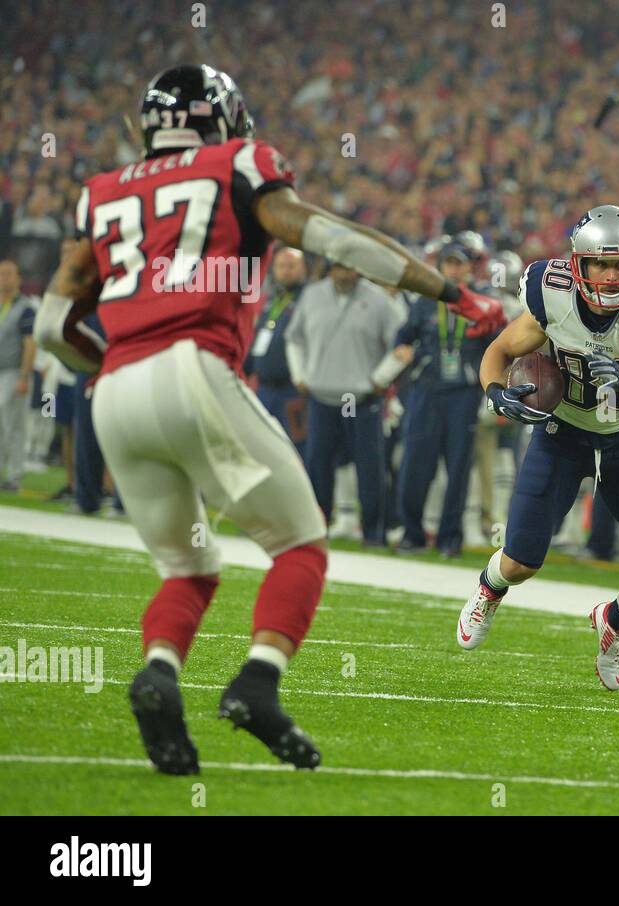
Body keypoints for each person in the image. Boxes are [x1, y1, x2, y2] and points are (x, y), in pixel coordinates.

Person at [33, 63, 498, 775]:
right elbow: (332, 239)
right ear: (222, 117)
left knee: (187, 566)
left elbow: (54, 323)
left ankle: (159, 671)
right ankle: (257, 682)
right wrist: (452, 292)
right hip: (193, 366)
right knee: (301, 544)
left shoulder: (102, 192)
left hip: (117, 388)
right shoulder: (237, 163)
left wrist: (109, 367)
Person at [455, 204, 619, 692]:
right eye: (600, 264)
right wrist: (496, 392)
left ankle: (615, 619)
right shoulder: (550, 291)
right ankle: (489, 587)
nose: (611, 276)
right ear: (578, 265)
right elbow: (499, 352)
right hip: (562, 431)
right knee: (521, 562)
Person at [286, 263, 408, 547]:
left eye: (351, 269)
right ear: (329, 270)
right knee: (318, 464)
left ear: (359, 271)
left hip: (362, 398)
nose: (345, 275)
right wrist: (299, 374)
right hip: (321, 396)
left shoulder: (380, 300)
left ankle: (374, 533)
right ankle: (316, 530)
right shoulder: (312, 295)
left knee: (370, 468)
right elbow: (294, 338)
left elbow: (403, 345)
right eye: (339, 269)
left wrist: (380, 379)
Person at [392, 243, 502, 555]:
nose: (453, 270)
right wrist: (401, 348)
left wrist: (489, 389)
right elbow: (404, 335)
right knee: (415, 464)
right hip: (427, 390)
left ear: (470, 268)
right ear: (440, 268)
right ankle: (412, 534)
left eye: (459, 264)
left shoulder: (483, 303)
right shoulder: (425, 301)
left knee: (458, 468)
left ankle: (449, 539)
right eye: (448, 264)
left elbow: (497, 346)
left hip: (464, 395)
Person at [245, 247, 309, 457]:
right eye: (281, 266)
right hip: (264, 389)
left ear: (303, 268)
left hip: (293, 391)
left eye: (291, 266)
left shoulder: (310, 300)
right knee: (263, 450)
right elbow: (258, 337)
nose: (286, 271)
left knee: (296, 450)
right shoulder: (270, 299)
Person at [0, 259, 37, 491]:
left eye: (9, 273)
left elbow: (30, 343)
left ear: (18, 279)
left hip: (13, 372)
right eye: (1, 273)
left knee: (13, 424)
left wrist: (24, 375)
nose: (5, 277)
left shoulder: (26, 307)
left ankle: (14, 475)